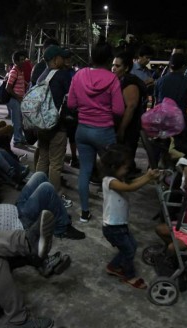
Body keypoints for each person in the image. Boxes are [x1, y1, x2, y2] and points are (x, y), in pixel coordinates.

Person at [67, 39, 125, 223]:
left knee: (85, 170)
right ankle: (112, 214)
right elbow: (118, 110)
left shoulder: (79, 75)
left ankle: (84, 213)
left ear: (92, 56)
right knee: (111, 172)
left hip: (82, 130)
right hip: (104, 132)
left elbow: (71, 104)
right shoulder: (113, 79)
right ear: (109, 59)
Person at [0, 171, 85, 241]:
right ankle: (61, 228)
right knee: (46, 188)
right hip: (20, 221)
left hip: (15, 209)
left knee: (39, 176)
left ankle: (57, 216)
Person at [100, 144, 160, 289]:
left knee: (131, 247)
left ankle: (113, 267)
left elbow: (132, 182)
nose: (127, 170)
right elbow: (130, 188)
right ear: (114, 167)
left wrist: (147, 176)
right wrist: (147, 178)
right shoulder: (110, 181)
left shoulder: (119, 178)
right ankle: (129, 276)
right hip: (112, 227)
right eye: (125, 168)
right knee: (129, 250)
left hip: (120, 224)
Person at [35, 45, 72, 200]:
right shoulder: (63, 75)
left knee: (43, 159)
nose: (65, 60)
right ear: (55, 59)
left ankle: (37, 191)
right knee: (56, 164)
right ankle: (54, 197)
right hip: (57, 125)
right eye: (62, 57)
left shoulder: (42, 76)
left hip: (41, 124)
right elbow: (72, 99)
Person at [112, 51, 146, 173]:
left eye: (117, 66)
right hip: (126, 125)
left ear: (126, 68)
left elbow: (131, 106)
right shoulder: (122, 80)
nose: (114, 68)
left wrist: (122, 129)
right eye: (113, 65)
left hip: (130, 126)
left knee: (125, 153)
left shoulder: (129, 82)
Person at [6, 51, 28, 147]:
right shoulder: (14, 71)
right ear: (16, 61)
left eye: (24, 59)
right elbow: (8, 87)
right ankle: (17, 141)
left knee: (21, 121)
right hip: (14, 100)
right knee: (17, 122)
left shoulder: (20, 71)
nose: (23, 62)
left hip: (19, 100)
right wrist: (17, 97)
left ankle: (21, 138)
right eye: (21, 60)